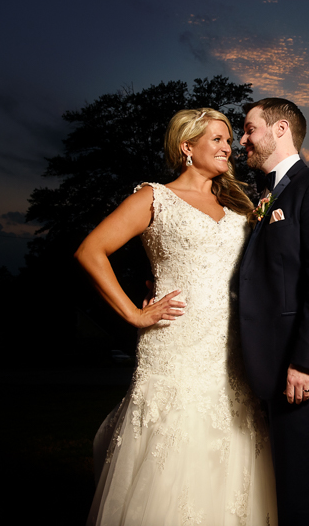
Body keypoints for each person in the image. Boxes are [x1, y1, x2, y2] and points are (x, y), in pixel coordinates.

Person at [76, 108, 277, 526]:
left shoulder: (239, 204)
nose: (229, 148)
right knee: (176, 444)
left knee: (232, 441)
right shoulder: (155, 197)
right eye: (218, 140)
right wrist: (133, 314)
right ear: (187, 147)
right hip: (176, 344)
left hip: (232, 347)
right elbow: (91, 251)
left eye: (229, 139)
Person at [238, 98, 309, 526]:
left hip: (304, 378)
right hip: (272, 372)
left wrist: (306, 362)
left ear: (280, 128)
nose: (242, 140)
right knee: (283, 496)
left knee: (301, 504)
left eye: (249, 129)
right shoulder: (266, 197)